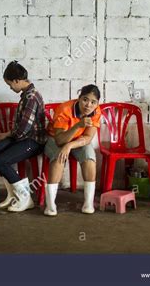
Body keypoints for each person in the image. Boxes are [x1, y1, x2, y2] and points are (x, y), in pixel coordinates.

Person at [0, 61, 46, 212]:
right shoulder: (26, 94)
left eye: (10, 84)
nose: (10, 87)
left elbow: (23, 130)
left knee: (1, 161)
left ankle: (25, 197)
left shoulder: (31, 97)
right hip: (22, 137)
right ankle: (12, 194)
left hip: (33, 141)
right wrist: (9, 135)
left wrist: (9, 135)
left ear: (17, 81)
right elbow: (21, 129)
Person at [44, 84, 101, 216]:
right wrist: (77, 126)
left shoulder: (97, 111)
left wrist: (69, 146)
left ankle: (88, 203)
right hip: (54, 138)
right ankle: (50, 205)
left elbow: (87, 137)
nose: (88, 105)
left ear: (97, 103)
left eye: (93, 102)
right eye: (85, 100)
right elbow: (59, 140)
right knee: (59, 156)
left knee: (89, 156)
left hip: (77, 140)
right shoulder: (64, 109)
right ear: (79, 98)